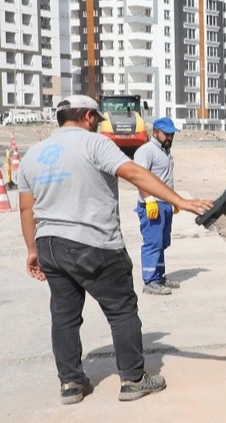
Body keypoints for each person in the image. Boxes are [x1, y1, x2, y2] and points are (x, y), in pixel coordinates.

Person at [14, 96, 215, 404]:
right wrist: (180, 201)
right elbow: (134, 173)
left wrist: (32, 250)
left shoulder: (34, 154)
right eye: (97, 117)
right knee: (122, 310)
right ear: (86, 116)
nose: (99, 122)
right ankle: (133, 379)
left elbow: (26, 208)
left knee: (64, 316)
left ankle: (70, 384)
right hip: (94, 243)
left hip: (50, 245)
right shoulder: (95, 144)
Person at [132, 117, 181, 295]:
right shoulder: (146, 151)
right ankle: (150, 281)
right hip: (152, 205)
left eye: (172, 134)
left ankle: (159, 276)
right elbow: (139, 177)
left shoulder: (164, 152)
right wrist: (148, 200)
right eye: (166, 134)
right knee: (152, 244)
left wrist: (173, 200)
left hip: (165, 204)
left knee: (161, 243)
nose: (169, 137)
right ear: (155, 132)